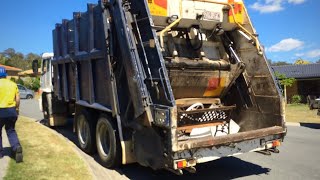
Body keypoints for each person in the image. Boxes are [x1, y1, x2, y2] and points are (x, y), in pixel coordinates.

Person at [0, 67, 23, 163]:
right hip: (11, 111)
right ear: (5, 74)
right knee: (11, 130)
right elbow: (17, 99)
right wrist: (17, 109)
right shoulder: (13, 84)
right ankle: (16, 147)